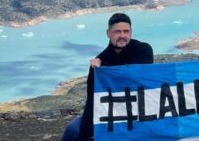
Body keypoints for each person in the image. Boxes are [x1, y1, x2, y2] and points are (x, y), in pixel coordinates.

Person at [62, 13, 154, 141]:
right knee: (72, 130)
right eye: (117, 32)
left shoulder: (143, 50)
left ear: (131, 32)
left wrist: (106, 68)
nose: (122, 35)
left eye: (126, 31)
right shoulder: (99, 63)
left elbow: (137, 77)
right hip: (109, 113)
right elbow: (92, 99)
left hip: (140, 111)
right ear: (108, 33)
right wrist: (86, 133)